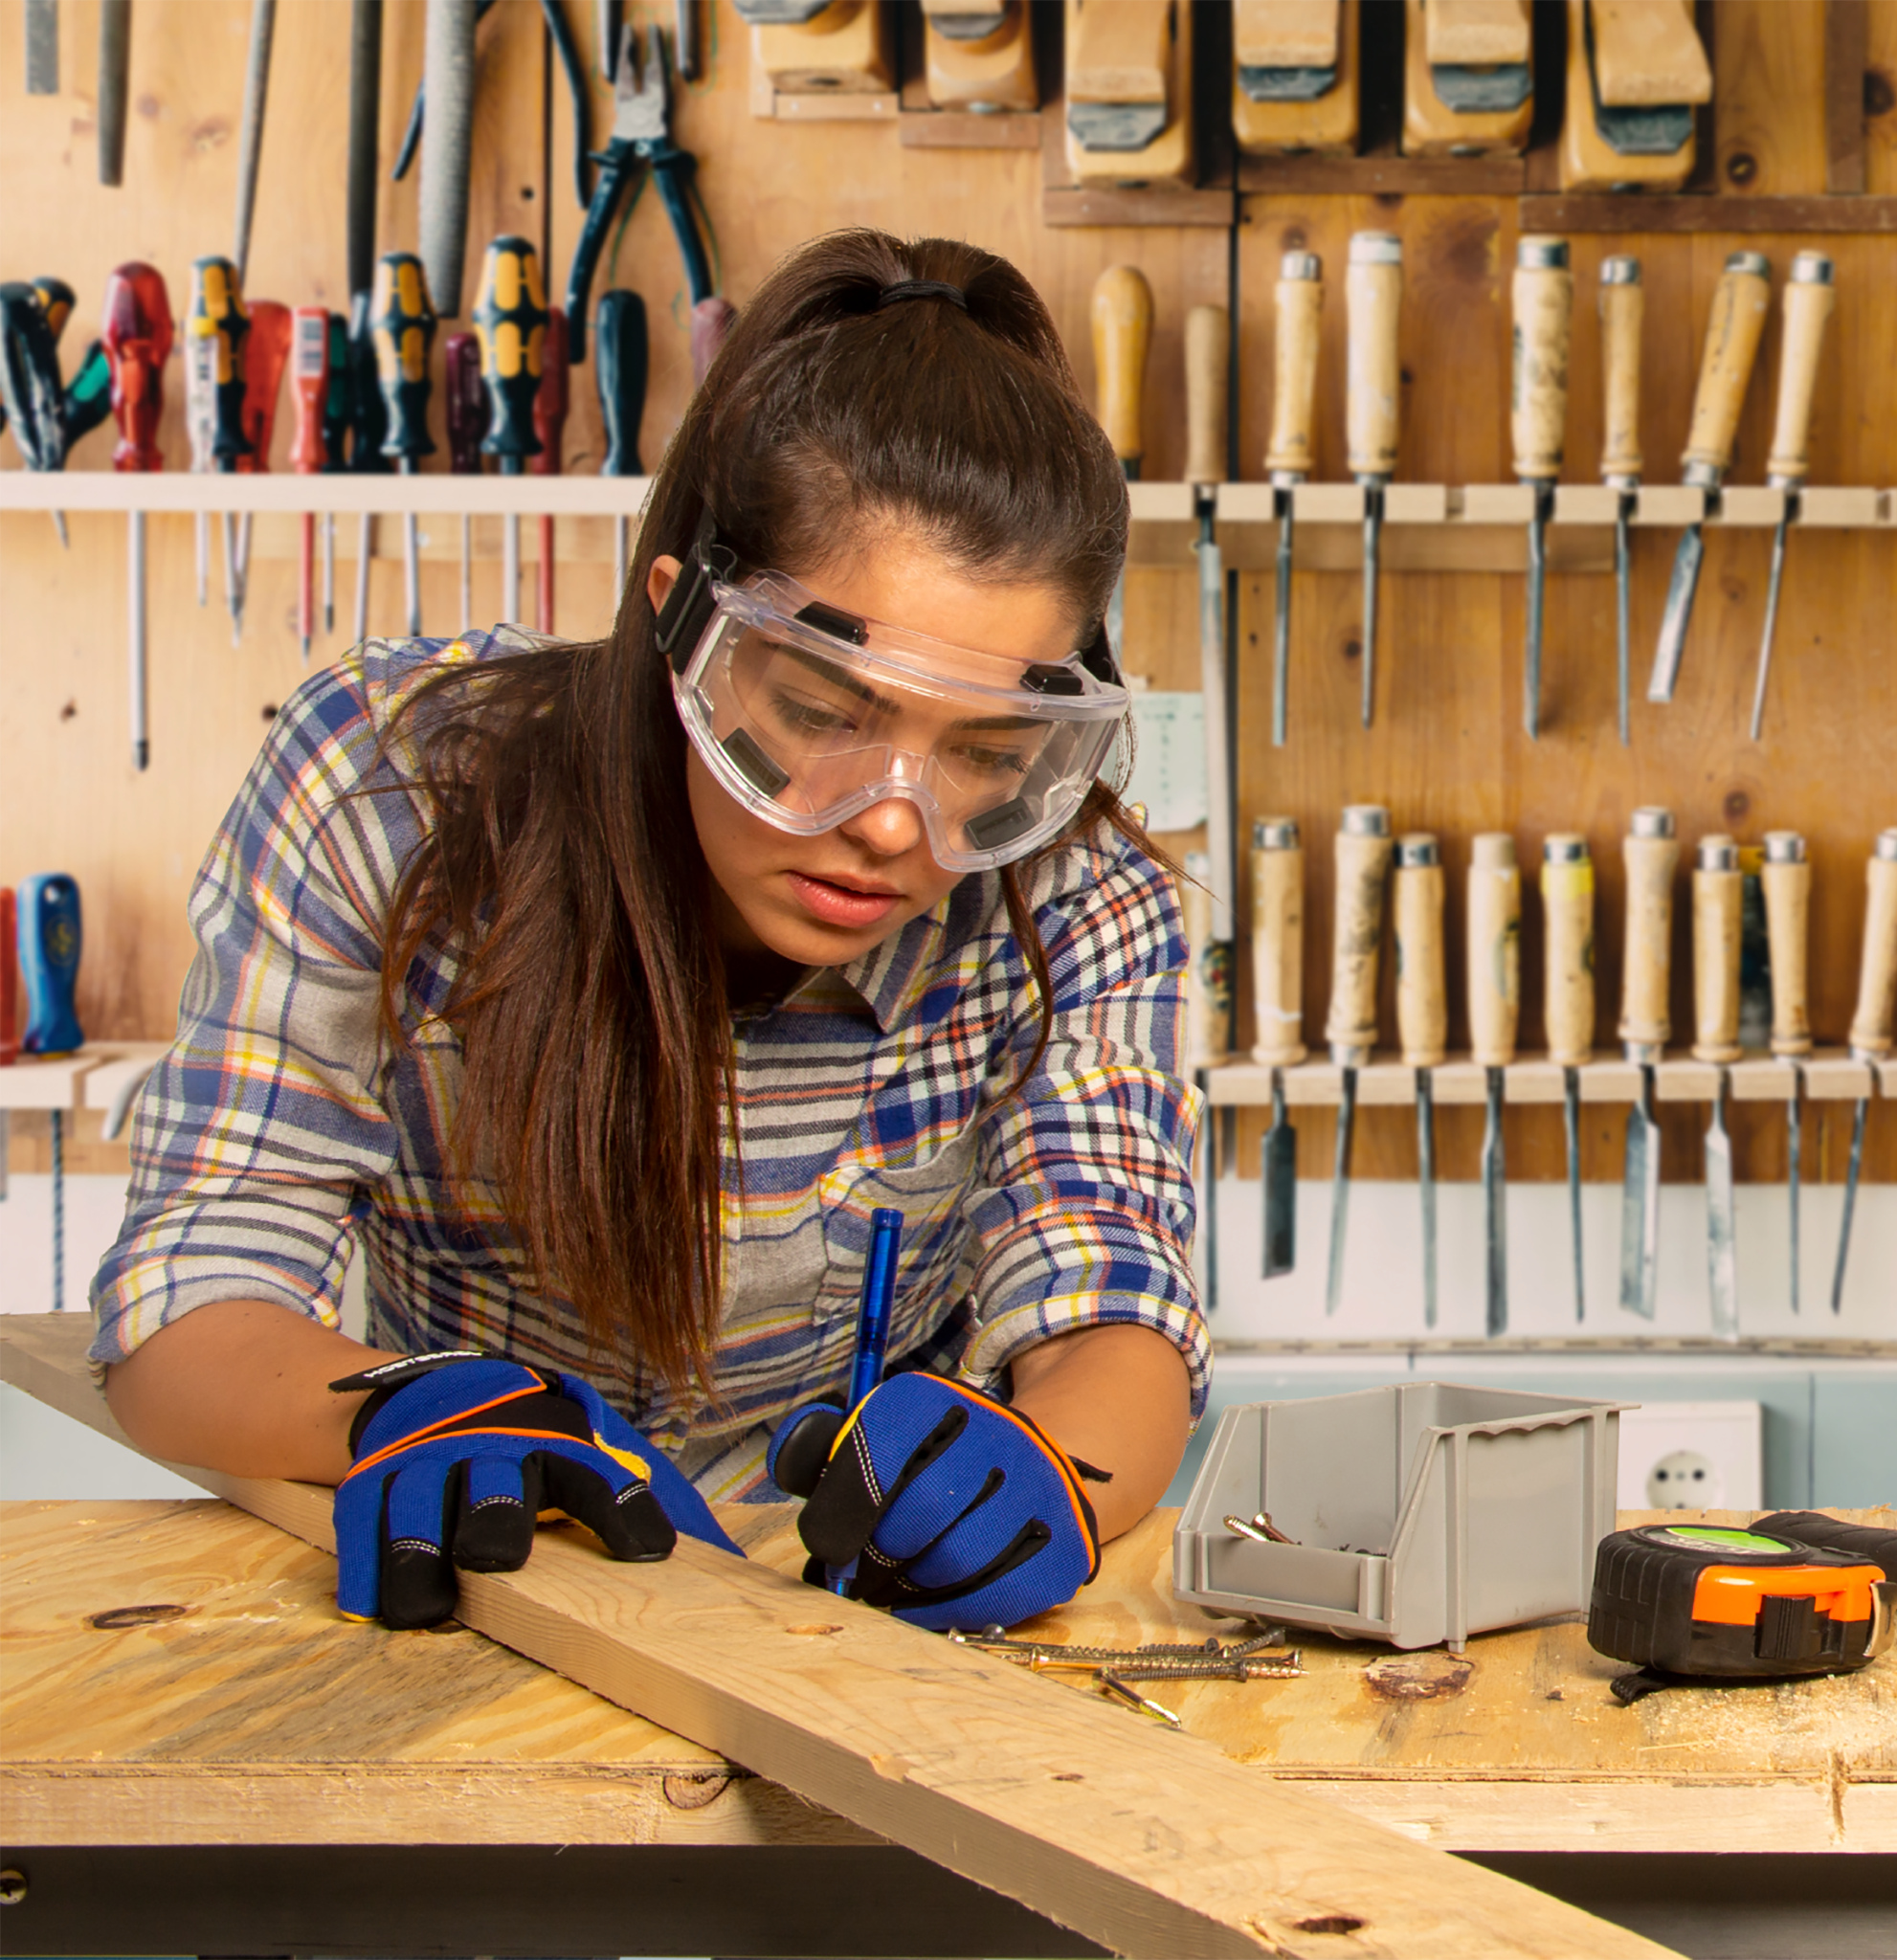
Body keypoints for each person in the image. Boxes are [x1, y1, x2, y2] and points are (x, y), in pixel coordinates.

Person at [93, 230, 1207, 1634]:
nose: (891, 823)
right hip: (495, 1599)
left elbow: (1111, 1301)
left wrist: (1056, 1466)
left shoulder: (1077, 900)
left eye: (986, 753)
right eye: (822, 713)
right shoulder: (387, 793)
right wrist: (406, 1414)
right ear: (681, 618)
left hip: (861, 1644)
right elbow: (190, 1298)